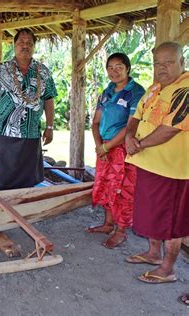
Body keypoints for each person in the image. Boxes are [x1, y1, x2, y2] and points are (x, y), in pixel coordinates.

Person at [124, 41, 188, 284]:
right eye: (157, 63)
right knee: (151, 215)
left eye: (168, 62)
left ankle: (167, 269)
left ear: (182, 62)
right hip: (149, 163)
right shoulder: (154, 88)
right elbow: (136, 116)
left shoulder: (186, 89)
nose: (162, 67)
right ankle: (153, 254)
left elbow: (171, 128)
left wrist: (140, 144)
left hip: (174, 169)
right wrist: (130, 135)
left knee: (172, 222)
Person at [0, 29, 57, 190]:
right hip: (5, 133)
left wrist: (50, 127)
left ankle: (24, 209)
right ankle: (3, 209)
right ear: (14, 46)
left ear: (34, 46)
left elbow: (49, 100)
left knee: (27, 180)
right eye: (21, 42)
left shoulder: (43, 71)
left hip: (31, 134)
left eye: (29, 43)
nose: (25, 46)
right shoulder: (1, 70)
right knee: (2, 179)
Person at [86, 53, 145, 249]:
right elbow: (95, 122)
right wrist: (99, 146)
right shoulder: (106, 92)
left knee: (123, 189)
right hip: (103, 147)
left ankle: (121, 231)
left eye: (119, 66)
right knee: (104, 185)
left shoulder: (135, 92)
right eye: (110, 67)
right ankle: (108, 223)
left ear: (127, 68)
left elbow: (130, 127)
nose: (114, 71)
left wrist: (106, 147)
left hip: (122, 148)